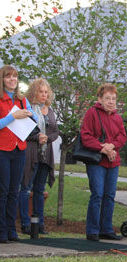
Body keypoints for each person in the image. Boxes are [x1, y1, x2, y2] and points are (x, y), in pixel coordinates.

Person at [80, 83, 127, 241]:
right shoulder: (92, 113)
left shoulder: (117, 117)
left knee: (109, 195)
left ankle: (106, 229)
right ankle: (92, 230)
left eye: (113, 99)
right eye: (107, 98)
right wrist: (102, 148)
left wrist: (112, 146)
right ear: (99, 99)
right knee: (97, 195)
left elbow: (122, 136)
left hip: (113, 162)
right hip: (97, 161)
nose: (111, 101)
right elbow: (85, 136)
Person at [0, 65, 38, 243]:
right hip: (3, 149)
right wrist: (12, 117)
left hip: (19, 148)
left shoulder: (22, 100)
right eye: (8, 77)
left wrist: (30, 114)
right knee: (3, 191)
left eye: (15, 77)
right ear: (2, 80)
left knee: (15, 191)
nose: (12, 80)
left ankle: (11, 229)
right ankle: (1, 230)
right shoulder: (1, 100)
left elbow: (34, 118)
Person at [18, 78, 59, 235]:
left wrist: (47, 138)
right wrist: (38, 137)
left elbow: (55, 131)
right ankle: (26, 223)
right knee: (26, 188)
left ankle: (39, 223)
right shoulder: (27, 109)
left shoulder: (50, 110)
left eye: (46, 92)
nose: (43, 94)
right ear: (34, 92)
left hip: (45, 154)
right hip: (31, 152)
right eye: (40, 91)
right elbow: (23, 130)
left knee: (40, 190)